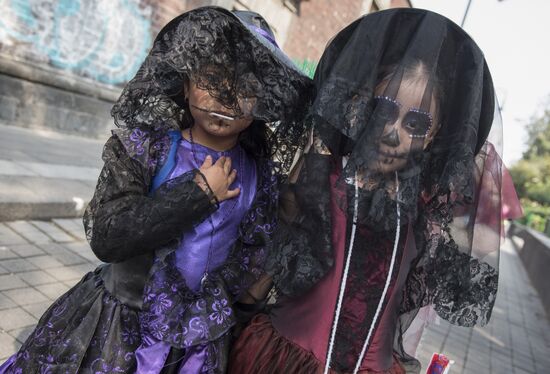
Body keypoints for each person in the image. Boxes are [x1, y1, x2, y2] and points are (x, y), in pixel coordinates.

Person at [0, 7, 312, 373]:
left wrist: (238, 301)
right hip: (118, 329)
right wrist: (198, 194)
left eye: (244, 88)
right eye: (212, 78)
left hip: (194, 347)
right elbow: (108, 236)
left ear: (261, 102)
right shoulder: (146, 149)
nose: (226, 97)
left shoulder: (258, 175)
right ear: (185, 83)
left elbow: (251, 253)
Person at [229, 8, 502, 374]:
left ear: (434, 135)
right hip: (285, 360)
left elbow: (475, 252)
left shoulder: (425, 219)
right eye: (383, 109)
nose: (393, 131)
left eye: (416, 123)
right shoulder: (319, 185)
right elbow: (265, 273)